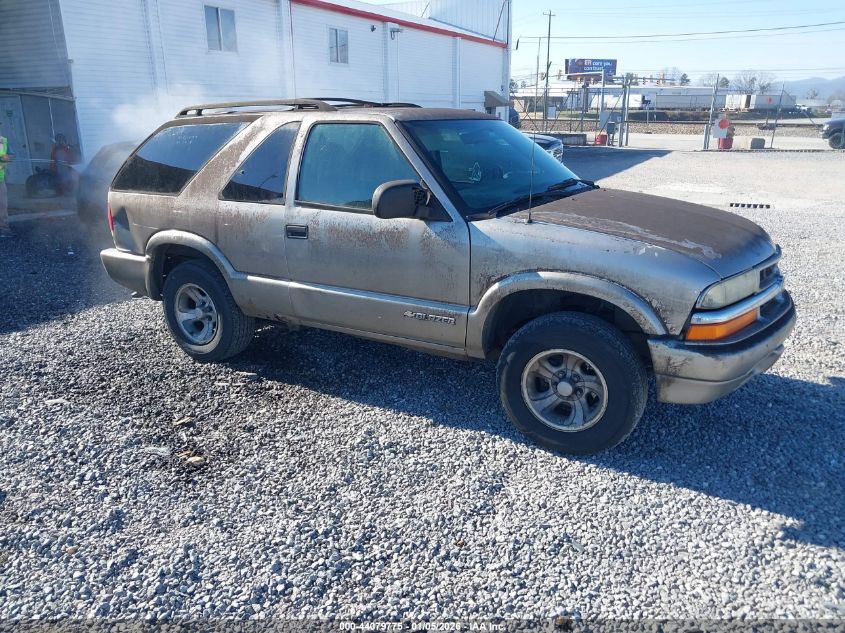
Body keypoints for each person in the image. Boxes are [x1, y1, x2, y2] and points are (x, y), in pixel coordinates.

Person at [0, 130, 12, 236]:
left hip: (0, 179)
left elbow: (11, 156)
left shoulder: (3, 140)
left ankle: (4, 228)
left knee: (3, 204)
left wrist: (5, 158)